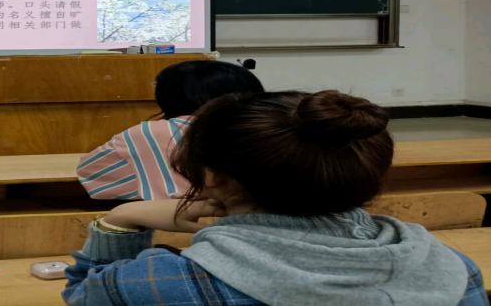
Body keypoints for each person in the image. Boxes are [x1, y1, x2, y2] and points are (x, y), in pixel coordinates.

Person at [62, 90, 487, 306]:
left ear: (215, 178)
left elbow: (85, 296)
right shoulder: (450, 268)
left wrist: (122, 219)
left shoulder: (158, 284)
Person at [77, 60, 263, 200]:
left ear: (170, 96)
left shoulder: (150, 133)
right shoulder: (269, 126)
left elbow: (91, 174)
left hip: (179, 228)